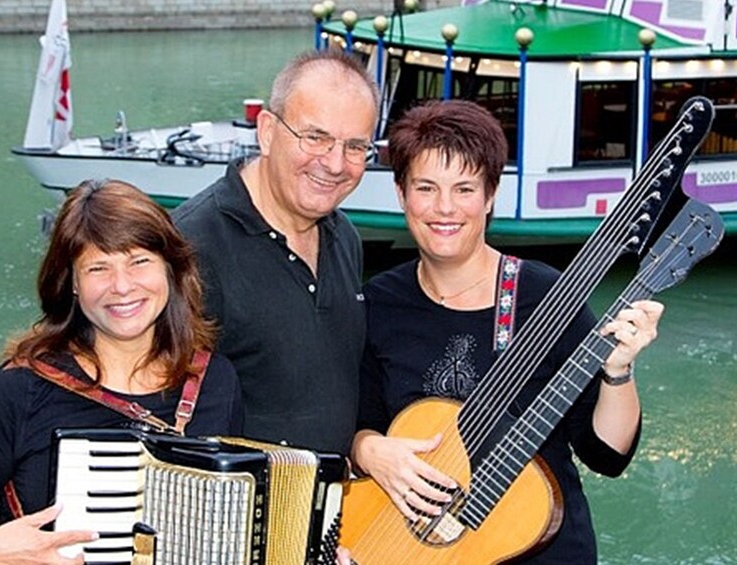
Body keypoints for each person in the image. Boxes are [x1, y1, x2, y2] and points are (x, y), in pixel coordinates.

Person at [348, 100, 664, 562]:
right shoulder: (378, 301)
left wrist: (618, 371)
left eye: (464, 188)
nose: (444, 208)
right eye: (426, 187)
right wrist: (370, 449)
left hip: (542, 547)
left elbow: (607, 455)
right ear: (401, 194)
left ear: (490, 195)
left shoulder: (547, 295)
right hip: (425, 550)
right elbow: (357, 424)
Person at [0, 179, 243, 564]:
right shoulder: (19, 393)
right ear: (72, 283)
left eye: (139, 261)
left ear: (171, 270)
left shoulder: (215, 381)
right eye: (98, 268)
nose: (122, 286)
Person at [172, 49, 379, 457]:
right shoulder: (189, 246)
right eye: (315, 137)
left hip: (332, 508)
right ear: (266, 131)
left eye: (355, 147)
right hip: (230, 510)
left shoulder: (345, 238)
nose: (335, 164)